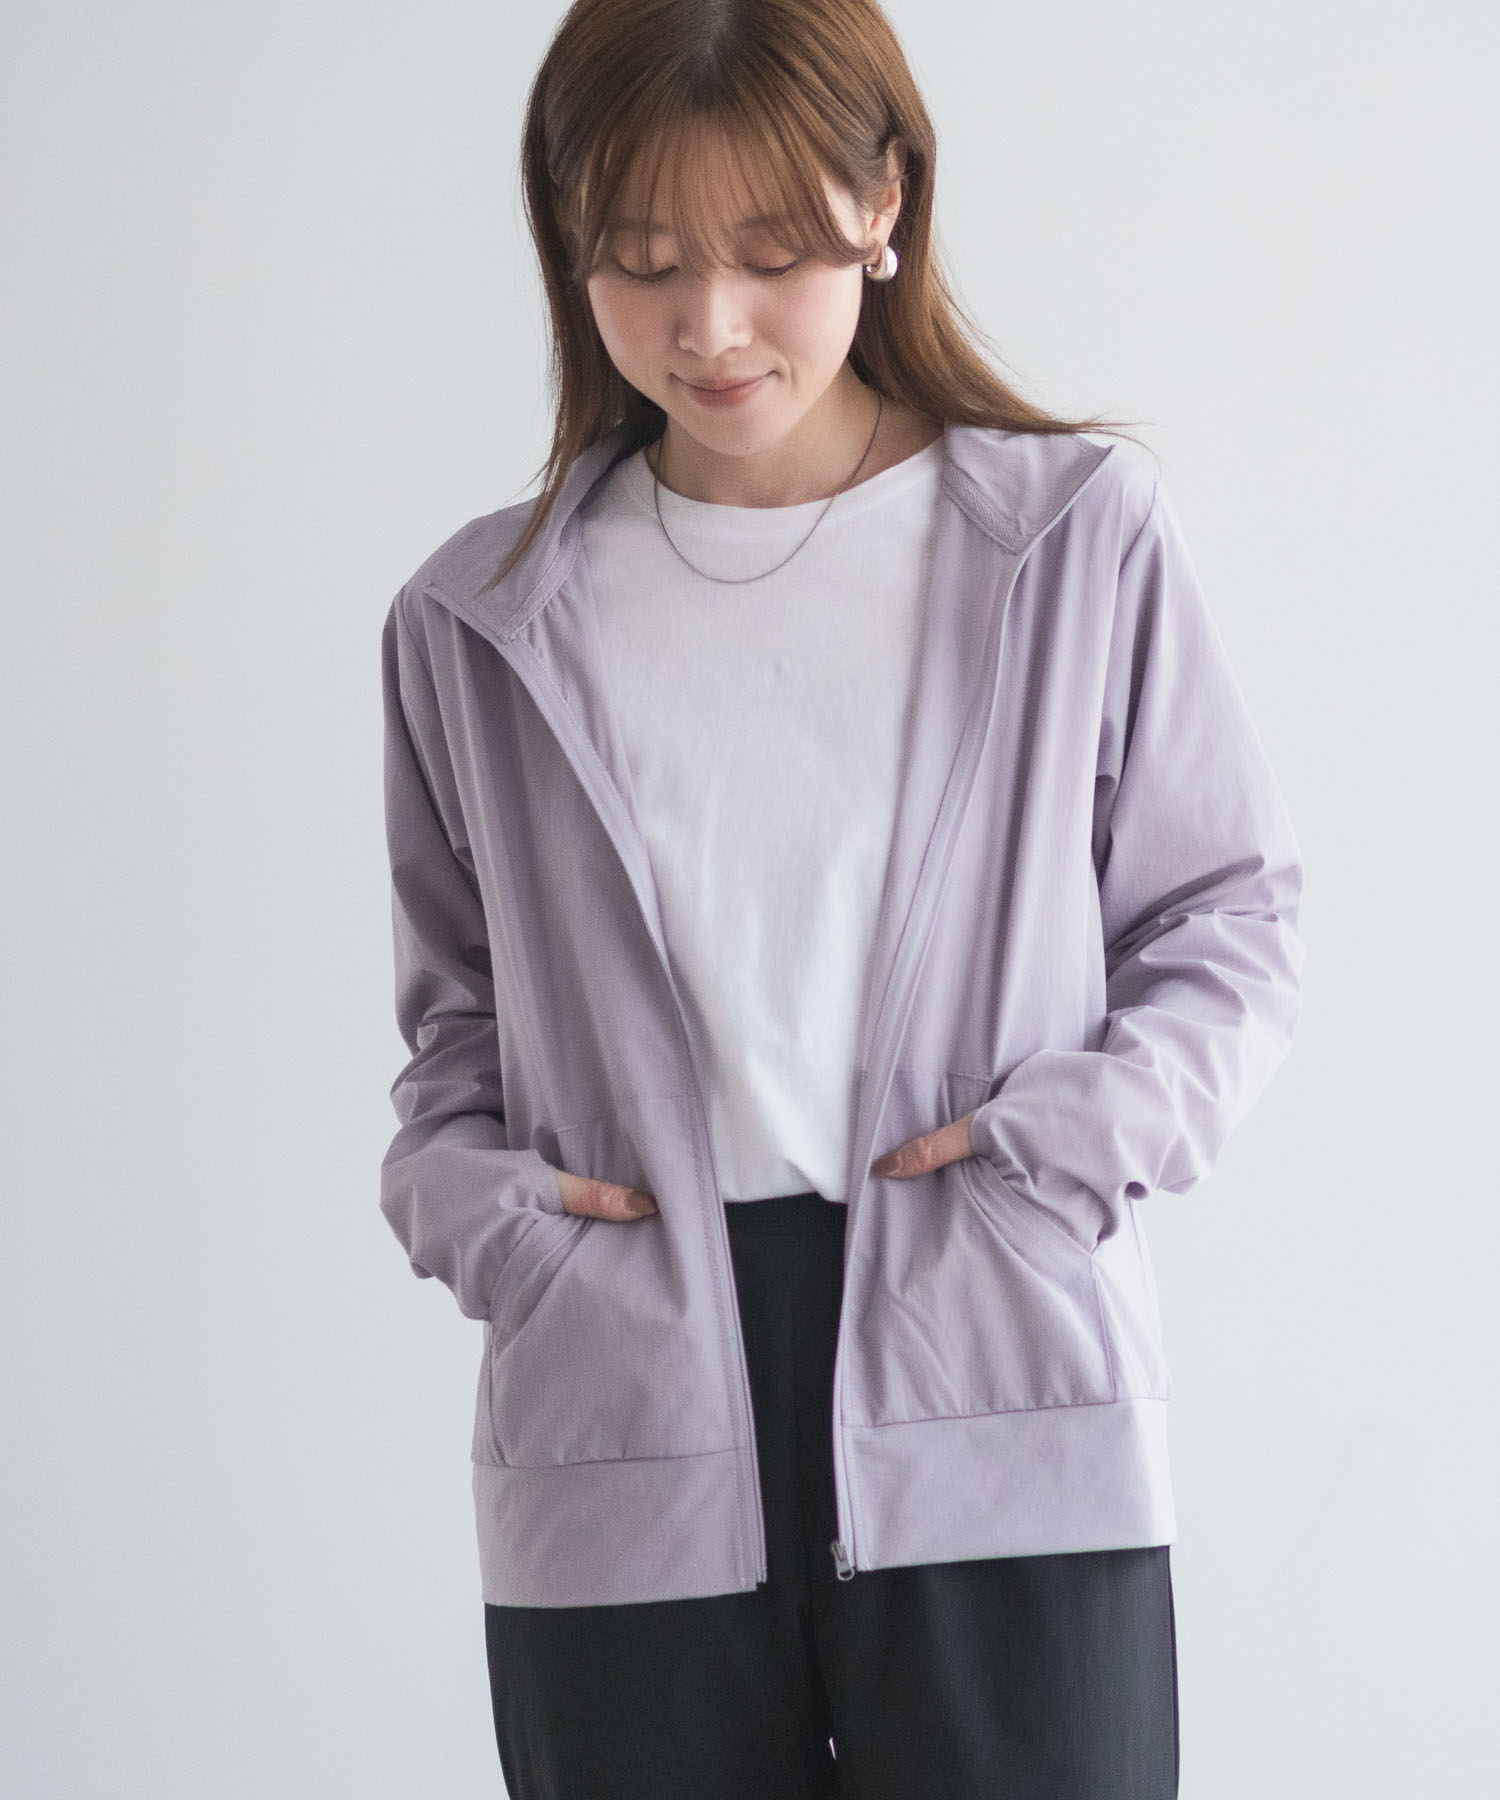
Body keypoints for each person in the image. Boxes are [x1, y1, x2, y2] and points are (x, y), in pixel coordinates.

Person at [376, 1, 1306, 1794]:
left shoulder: (1069, 541)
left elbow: (1229, 920)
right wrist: (494, 1226)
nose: (710, 328)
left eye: (772, 253)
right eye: (642, 264)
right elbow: (452, 1033)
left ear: (887, 204)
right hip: (622, 1399)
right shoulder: (476, 623)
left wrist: (1066, 1149)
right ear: (568, 246)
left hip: (995, 1355)